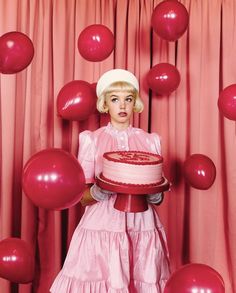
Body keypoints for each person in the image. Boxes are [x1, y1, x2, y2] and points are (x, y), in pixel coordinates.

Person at [50, 69, 170, 293]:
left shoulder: (150, 141)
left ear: (135, 103)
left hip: (142, 224)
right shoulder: (91, 140)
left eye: (128, 99)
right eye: (115, 99)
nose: (122, 106)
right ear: (105, 104)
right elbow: (82, 199)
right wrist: (98, 191)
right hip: (102, 224)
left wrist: (155, 194)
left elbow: (158, 197)